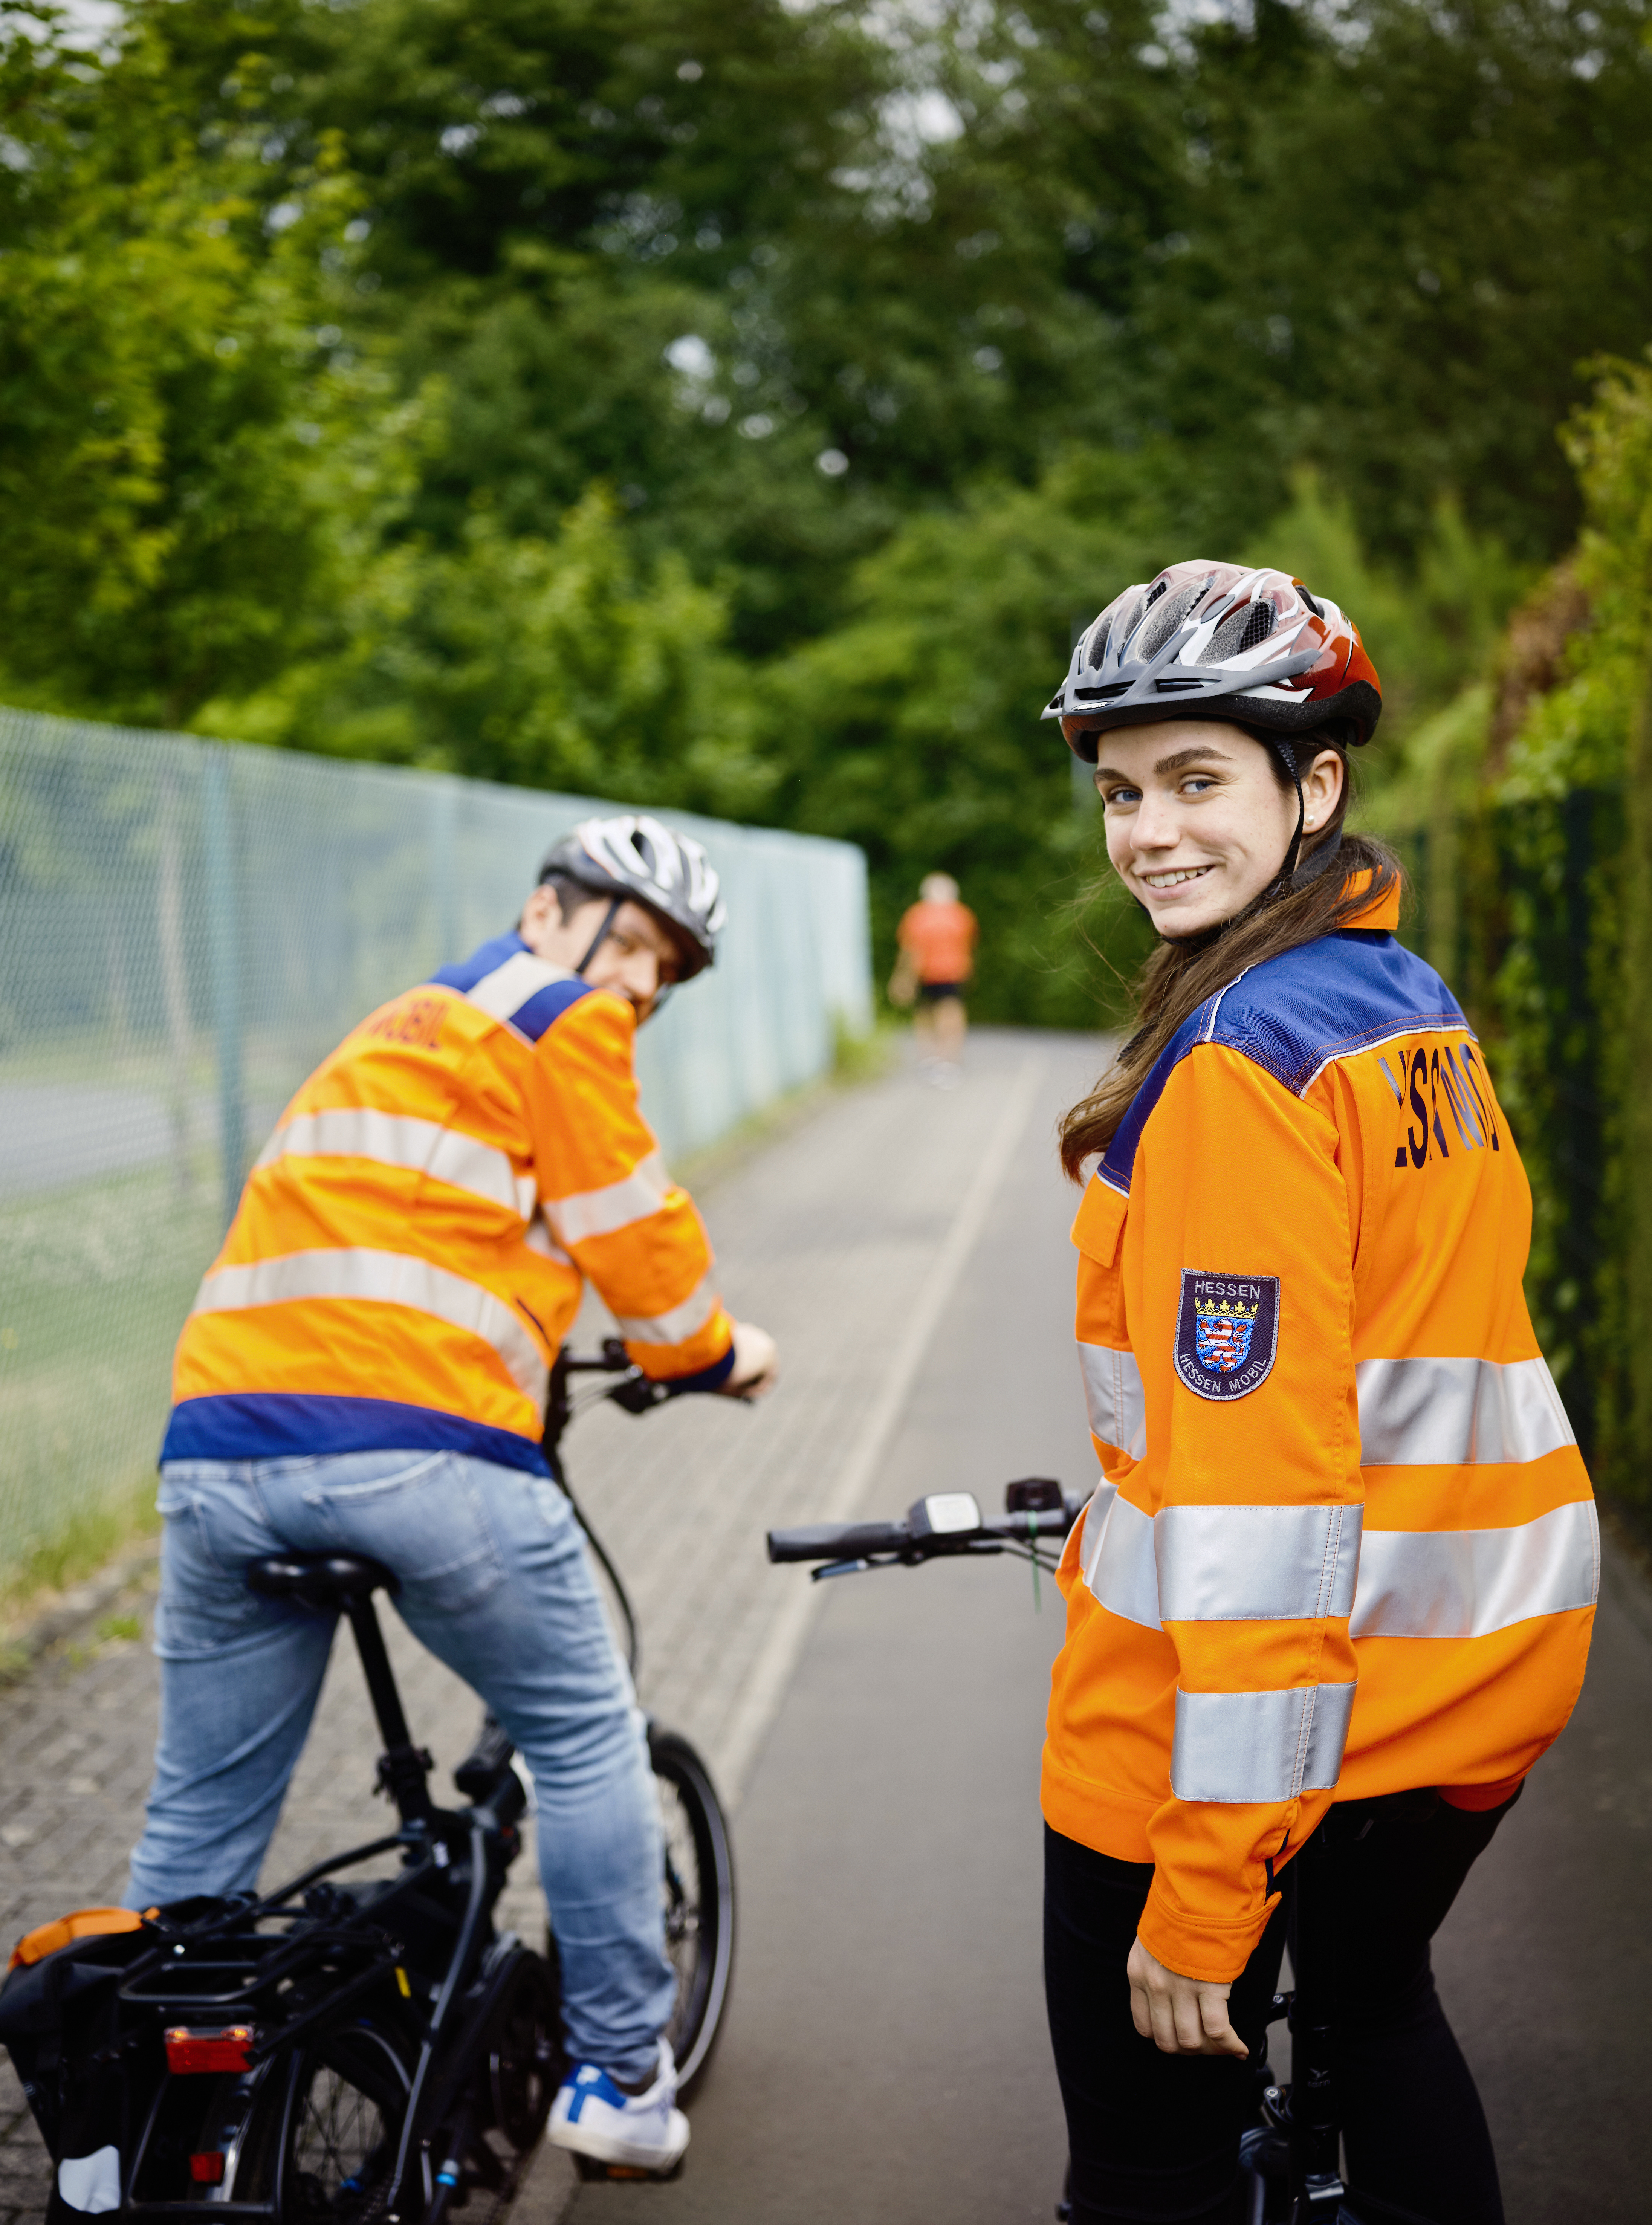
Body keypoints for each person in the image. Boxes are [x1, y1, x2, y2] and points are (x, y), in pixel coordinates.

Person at [1038, 564, 1597, 2224]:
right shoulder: (1408, 1009)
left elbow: (1261, 1519)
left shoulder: (1235, 1072)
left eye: (1197, 779)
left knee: (1147, 2176)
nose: (1146, 832)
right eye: (1121, 791)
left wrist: (1208, 1891)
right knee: (1376, 2012)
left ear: (1316, 784)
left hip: (1239, 1745)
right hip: (1473, 1681)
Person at [126, 814, 778, 2176]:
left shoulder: (403, 1027)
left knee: (202, 1808)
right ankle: (616, 2075)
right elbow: (634, 1228)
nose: (645, 985)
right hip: (420, 1454)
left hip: (217, 1453)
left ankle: (147, 2118)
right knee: (586, 1729)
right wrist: (713, 1354)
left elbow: (419, 1226)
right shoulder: (557, 1015)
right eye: (640, 942)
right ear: (550, 910)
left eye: (670, 967)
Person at [889, 871, 979, 1086]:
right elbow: (970, 945)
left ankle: (934, 1058)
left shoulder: (918, 914)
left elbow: (908, 950)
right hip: (952, 973)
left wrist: (902, 978)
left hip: (928, 973)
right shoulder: (962, 915)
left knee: (928, 1014)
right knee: (950, 1014)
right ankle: (948, 1059)